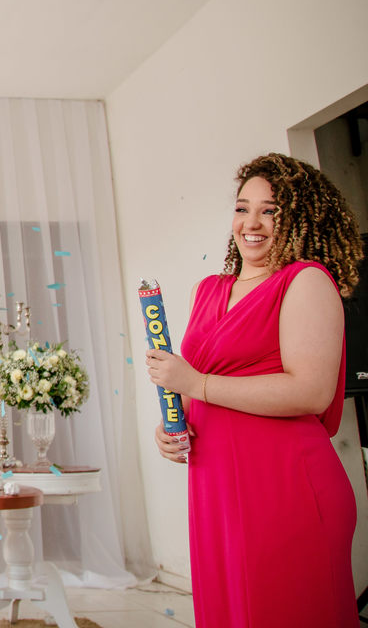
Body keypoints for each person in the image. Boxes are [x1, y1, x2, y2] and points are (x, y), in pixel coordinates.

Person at [145, 152, 361, 628]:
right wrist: (172, 424)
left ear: (298, 219)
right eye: (243, 208)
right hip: (216, 487)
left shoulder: (305, 281)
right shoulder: (207, 289)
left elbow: (311, 392)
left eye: (270, 210)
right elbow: (199, 387)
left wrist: (194, 382)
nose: (252, 223)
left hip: (285, 486)